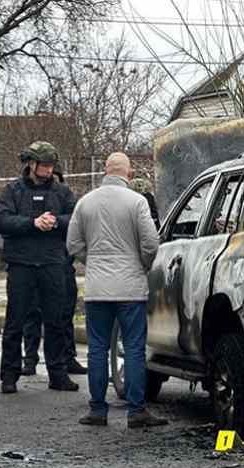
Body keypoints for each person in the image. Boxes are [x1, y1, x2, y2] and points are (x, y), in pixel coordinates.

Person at [68, 152, 166, 428]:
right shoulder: (137, 202)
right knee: (134, 348)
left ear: (105, 171)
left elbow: (73, 244)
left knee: (97, 348)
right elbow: (151, 243)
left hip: (98, 288)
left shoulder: (85, 202)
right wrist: (141, 266)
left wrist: (95, 263)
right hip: (131, 288)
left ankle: (98, 410)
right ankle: (136, 411)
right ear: (129, 174)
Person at [0, 141, 79, 394]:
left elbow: (76, 218)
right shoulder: (13, 191)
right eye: (44, 165)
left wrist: (54, 223)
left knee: (56, 321)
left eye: (51, 165)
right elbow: (1, 220)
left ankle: (58, 373)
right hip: (21, 264)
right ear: (31, 164)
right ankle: (9, 375)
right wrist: (32, 223)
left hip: (53, 262)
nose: (48, 169)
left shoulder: (62, 192)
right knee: (15, 321)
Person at [21, 164, 87, 377]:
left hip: (63, 263)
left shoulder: (65, 200)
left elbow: (76, 222)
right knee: (32, 313)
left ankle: (67, 357)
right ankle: (30, 359)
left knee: (64, 313)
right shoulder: (28, 198)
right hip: (35, 263)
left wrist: (56, 222)